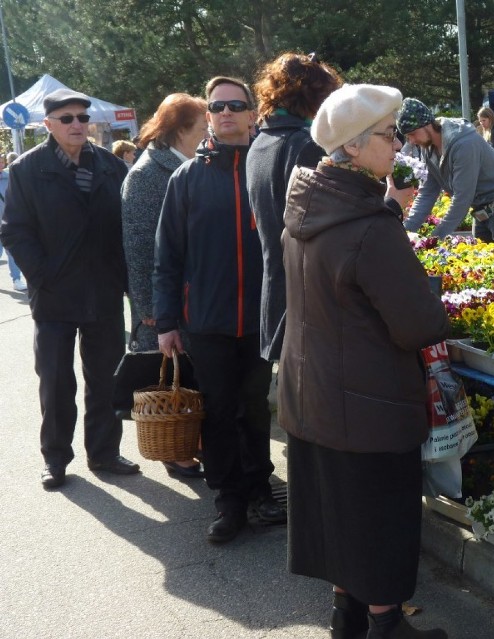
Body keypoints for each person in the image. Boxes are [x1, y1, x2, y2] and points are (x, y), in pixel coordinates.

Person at [280, 82, 450, 639]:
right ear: (351, 148)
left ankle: (347, 616)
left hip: (314, 393)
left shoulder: (306, 208)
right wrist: (430, 288)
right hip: (369, 401)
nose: (397, 146)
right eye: (387, 136)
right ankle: (386, 625)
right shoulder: (368, 227)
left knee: (338, 511)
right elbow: (419, 324)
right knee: (377, 515)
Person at [153, 76, 285, 543]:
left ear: (253, 115)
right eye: (217, 107)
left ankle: (261, 489)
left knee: (255, 409)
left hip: (262, 320)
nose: (226, 112)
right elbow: (167, 256)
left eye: (236, 105)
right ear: (208, 117)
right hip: (205, 322)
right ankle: (229, 501)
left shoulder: (268, 170)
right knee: (218, 411)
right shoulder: (186, 178)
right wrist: (166, 322)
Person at [0, 88, 139, 489]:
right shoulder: (27, 169)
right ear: (48, 125)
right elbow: (14, 231)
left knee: (106, 379)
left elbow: (126, 229)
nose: (77, 125)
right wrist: (42, 276)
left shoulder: (112, 167)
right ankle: (56, 458)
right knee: (57, 381)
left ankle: (105, 452)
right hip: (55, 295)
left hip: (104, 292)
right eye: (67, 119)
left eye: (82, 118)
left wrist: (126, 282)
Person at [120, 92, 208, 479]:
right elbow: (139, 249)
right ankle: (178, 452)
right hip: (164, 303)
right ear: (181, 130)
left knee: (189, 377)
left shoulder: (179, 165)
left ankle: (192, 443)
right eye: (203, 128)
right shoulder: (147, 175)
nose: (208, 135)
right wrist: (150, 311)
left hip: (187, 297)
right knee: (173, 379)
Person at [247, 51, 342, 364]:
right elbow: (321, 228)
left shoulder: (260, 142)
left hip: (275, 288)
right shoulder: (305, 144)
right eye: (329, 96)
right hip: (304, 299)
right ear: (313, 97)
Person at [398, 97, 494, 246]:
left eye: (412, 134)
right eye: (407, 137)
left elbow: (462, 197)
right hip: (481, 209)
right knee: (482, 261)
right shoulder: (428, 148)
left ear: (426, 124)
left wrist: (435, 239)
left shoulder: (464, 144)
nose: (411, 141)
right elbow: (427, 192)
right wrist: (405, 232)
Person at [0, 152, 26, 291]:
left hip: (7, 223)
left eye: (2, 162)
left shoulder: (9, 176)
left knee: (12, 253)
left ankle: (16, 279)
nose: (1, 164)